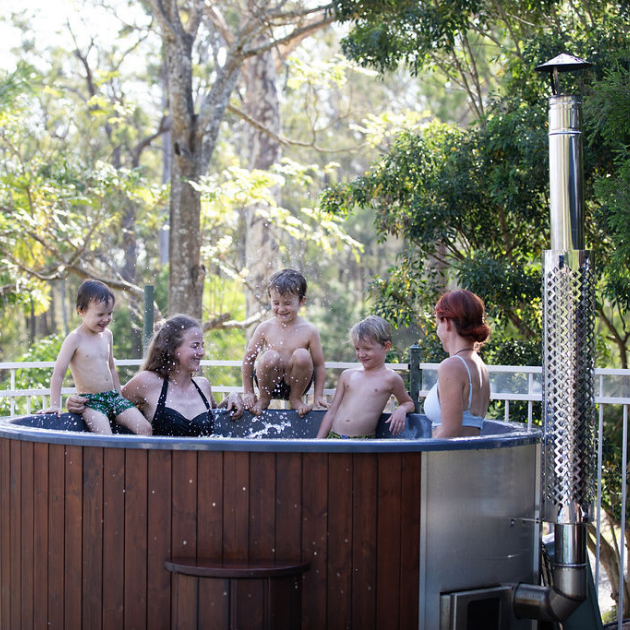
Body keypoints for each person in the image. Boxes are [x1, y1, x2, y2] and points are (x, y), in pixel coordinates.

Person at [67, 314, 244, 436]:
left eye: (202, 345)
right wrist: (76, 402)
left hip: (203, 477)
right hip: (159, 475)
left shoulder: (203, 386)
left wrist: (231, 398)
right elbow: (112, 403)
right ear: (174, 349)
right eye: (195, 346)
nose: (202, 352)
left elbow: (216, 417)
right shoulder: (147, 382)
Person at [39, 279, 152, 435]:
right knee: (106, 437)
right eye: (100, 314)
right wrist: (54, 405)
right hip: (90, 402)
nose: (106, 319)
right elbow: (58, 374)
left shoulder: (107, 335)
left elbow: (111, 368)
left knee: (146, 429)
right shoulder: (75, 338)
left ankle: (139, 459)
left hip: (113, 397)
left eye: (109, 313)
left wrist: (119, 396)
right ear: (81, 311)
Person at [242, 269, 328, 417]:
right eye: (276, 303)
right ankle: (264, 398)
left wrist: (318, 396)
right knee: (270, 356)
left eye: (287, 303)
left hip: (297, 383)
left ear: (301, 301)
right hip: (269, 382)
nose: (281, 309)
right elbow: (248, 359)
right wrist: (248, 392)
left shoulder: (309, 330)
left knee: (302, 355)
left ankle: (295, 399)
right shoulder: (265, 327)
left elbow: (319, 366)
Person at [316, 316, 415, 439]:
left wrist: (401, 409)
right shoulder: (347, 375)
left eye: (367, 349)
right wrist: (317, 442)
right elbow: (331, 412)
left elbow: (409, 403)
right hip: (334, 438)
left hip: (363, 442)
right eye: (357, 348)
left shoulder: (391, 378)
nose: (361, 354)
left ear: (386, 346)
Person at [423, 289, 491, 438]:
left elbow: (450, 433)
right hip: (469, 457)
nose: (437, 332)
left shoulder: (452, 366)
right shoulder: (478, 364)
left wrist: (418, 455)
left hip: (447, 459)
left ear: (446, 323)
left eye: (437, 324)